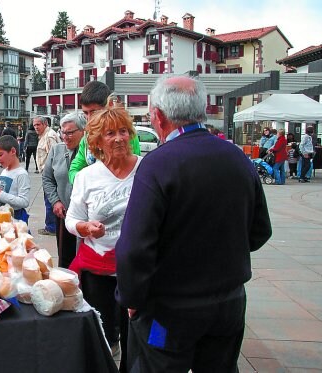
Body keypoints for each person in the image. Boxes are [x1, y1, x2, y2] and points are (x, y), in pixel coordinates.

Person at [115, 75, 272, 372]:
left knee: (156, 364)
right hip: (227, 304)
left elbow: (134, 247)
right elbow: (260, 230)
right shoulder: (236, 157)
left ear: (159, 117)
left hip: (168, 311)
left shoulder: (158, 163)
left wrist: (132, 298)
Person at [65, 107, 141, 368]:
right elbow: (71, 220)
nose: (120, 138)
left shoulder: (146, 169)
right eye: (111, 133)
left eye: (123, 132)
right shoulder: (87, 176)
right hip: (99, 270)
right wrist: (85, 228)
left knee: (136, 339)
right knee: (103, 335)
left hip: (138, 270)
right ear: (97, 141)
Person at [68, 81, 141, 184]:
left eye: (94, 112)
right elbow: (74, 170)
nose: (89, 118)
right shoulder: (87, 137)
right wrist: (86, 184)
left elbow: (132, 171)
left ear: (110, 105)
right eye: (85, 113)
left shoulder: (125, 134)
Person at [42, 113, 86, 268]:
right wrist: (55, 201)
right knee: (65, 259)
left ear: (83, 131)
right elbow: (47, 179)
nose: (65, 136)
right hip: (64, 215)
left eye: (70, 132)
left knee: (85, 259)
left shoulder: (91, 153)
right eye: (63, 132)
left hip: (86, 218)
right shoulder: (57, 150)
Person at [0, 135, 30, 222]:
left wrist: (0, 194)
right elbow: (3, 190)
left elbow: (24, 201)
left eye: (0, 155)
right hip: (0, 214)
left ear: (13, 151)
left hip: (14, 218)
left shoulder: (21, 174)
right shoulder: (5, 170)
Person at [34, 116, 60, 236]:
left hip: (51, 174)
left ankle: (52, 227)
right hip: (48, 173)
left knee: (50, 200)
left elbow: (54, 156)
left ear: (45, 124)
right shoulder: (45, 135)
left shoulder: (49, 136)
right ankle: (51, 225)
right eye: (34, 125)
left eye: (38, 124)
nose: (36, 127)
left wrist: (51, 176)